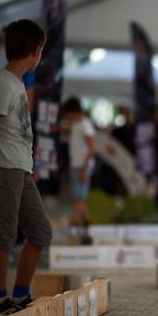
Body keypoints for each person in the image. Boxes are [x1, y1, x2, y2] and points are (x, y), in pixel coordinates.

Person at [0, 19, 51, 316]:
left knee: (41, 231)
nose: (40, 55)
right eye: (41, 49)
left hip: (20, 167)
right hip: (4, 168)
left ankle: (19, 294)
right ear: (34, 50)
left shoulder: (16, 83)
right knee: (3, 235)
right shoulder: (4, 83)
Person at [64, 97, 96, 227]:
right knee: (78, 196)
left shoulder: (85, 125)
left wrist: (84, 168)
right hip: (76, 164)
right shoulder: (76, 124)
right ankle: (86, 219)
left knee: (79, 197)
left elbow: (92, 148)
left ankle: (75, 220)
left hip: (83, 166)